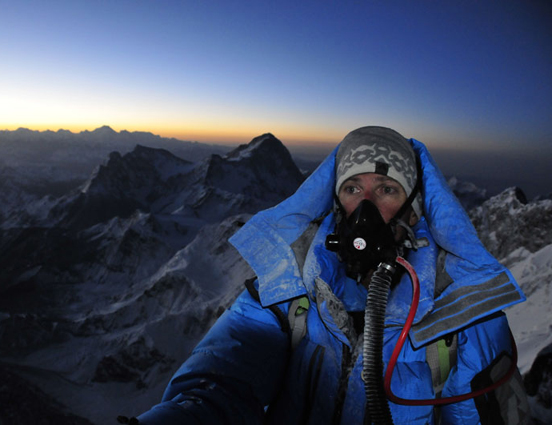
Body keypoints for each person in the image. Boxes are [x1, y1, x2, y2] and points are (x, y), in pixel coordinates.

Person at [131, 126, 530, 424]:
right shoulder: (285, 288)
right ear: (335, 200)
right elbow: (221, 380)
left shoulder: (463, 314)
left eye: (388, 189)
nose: (366, 206)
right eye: (353, 188)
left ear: (413, 208)